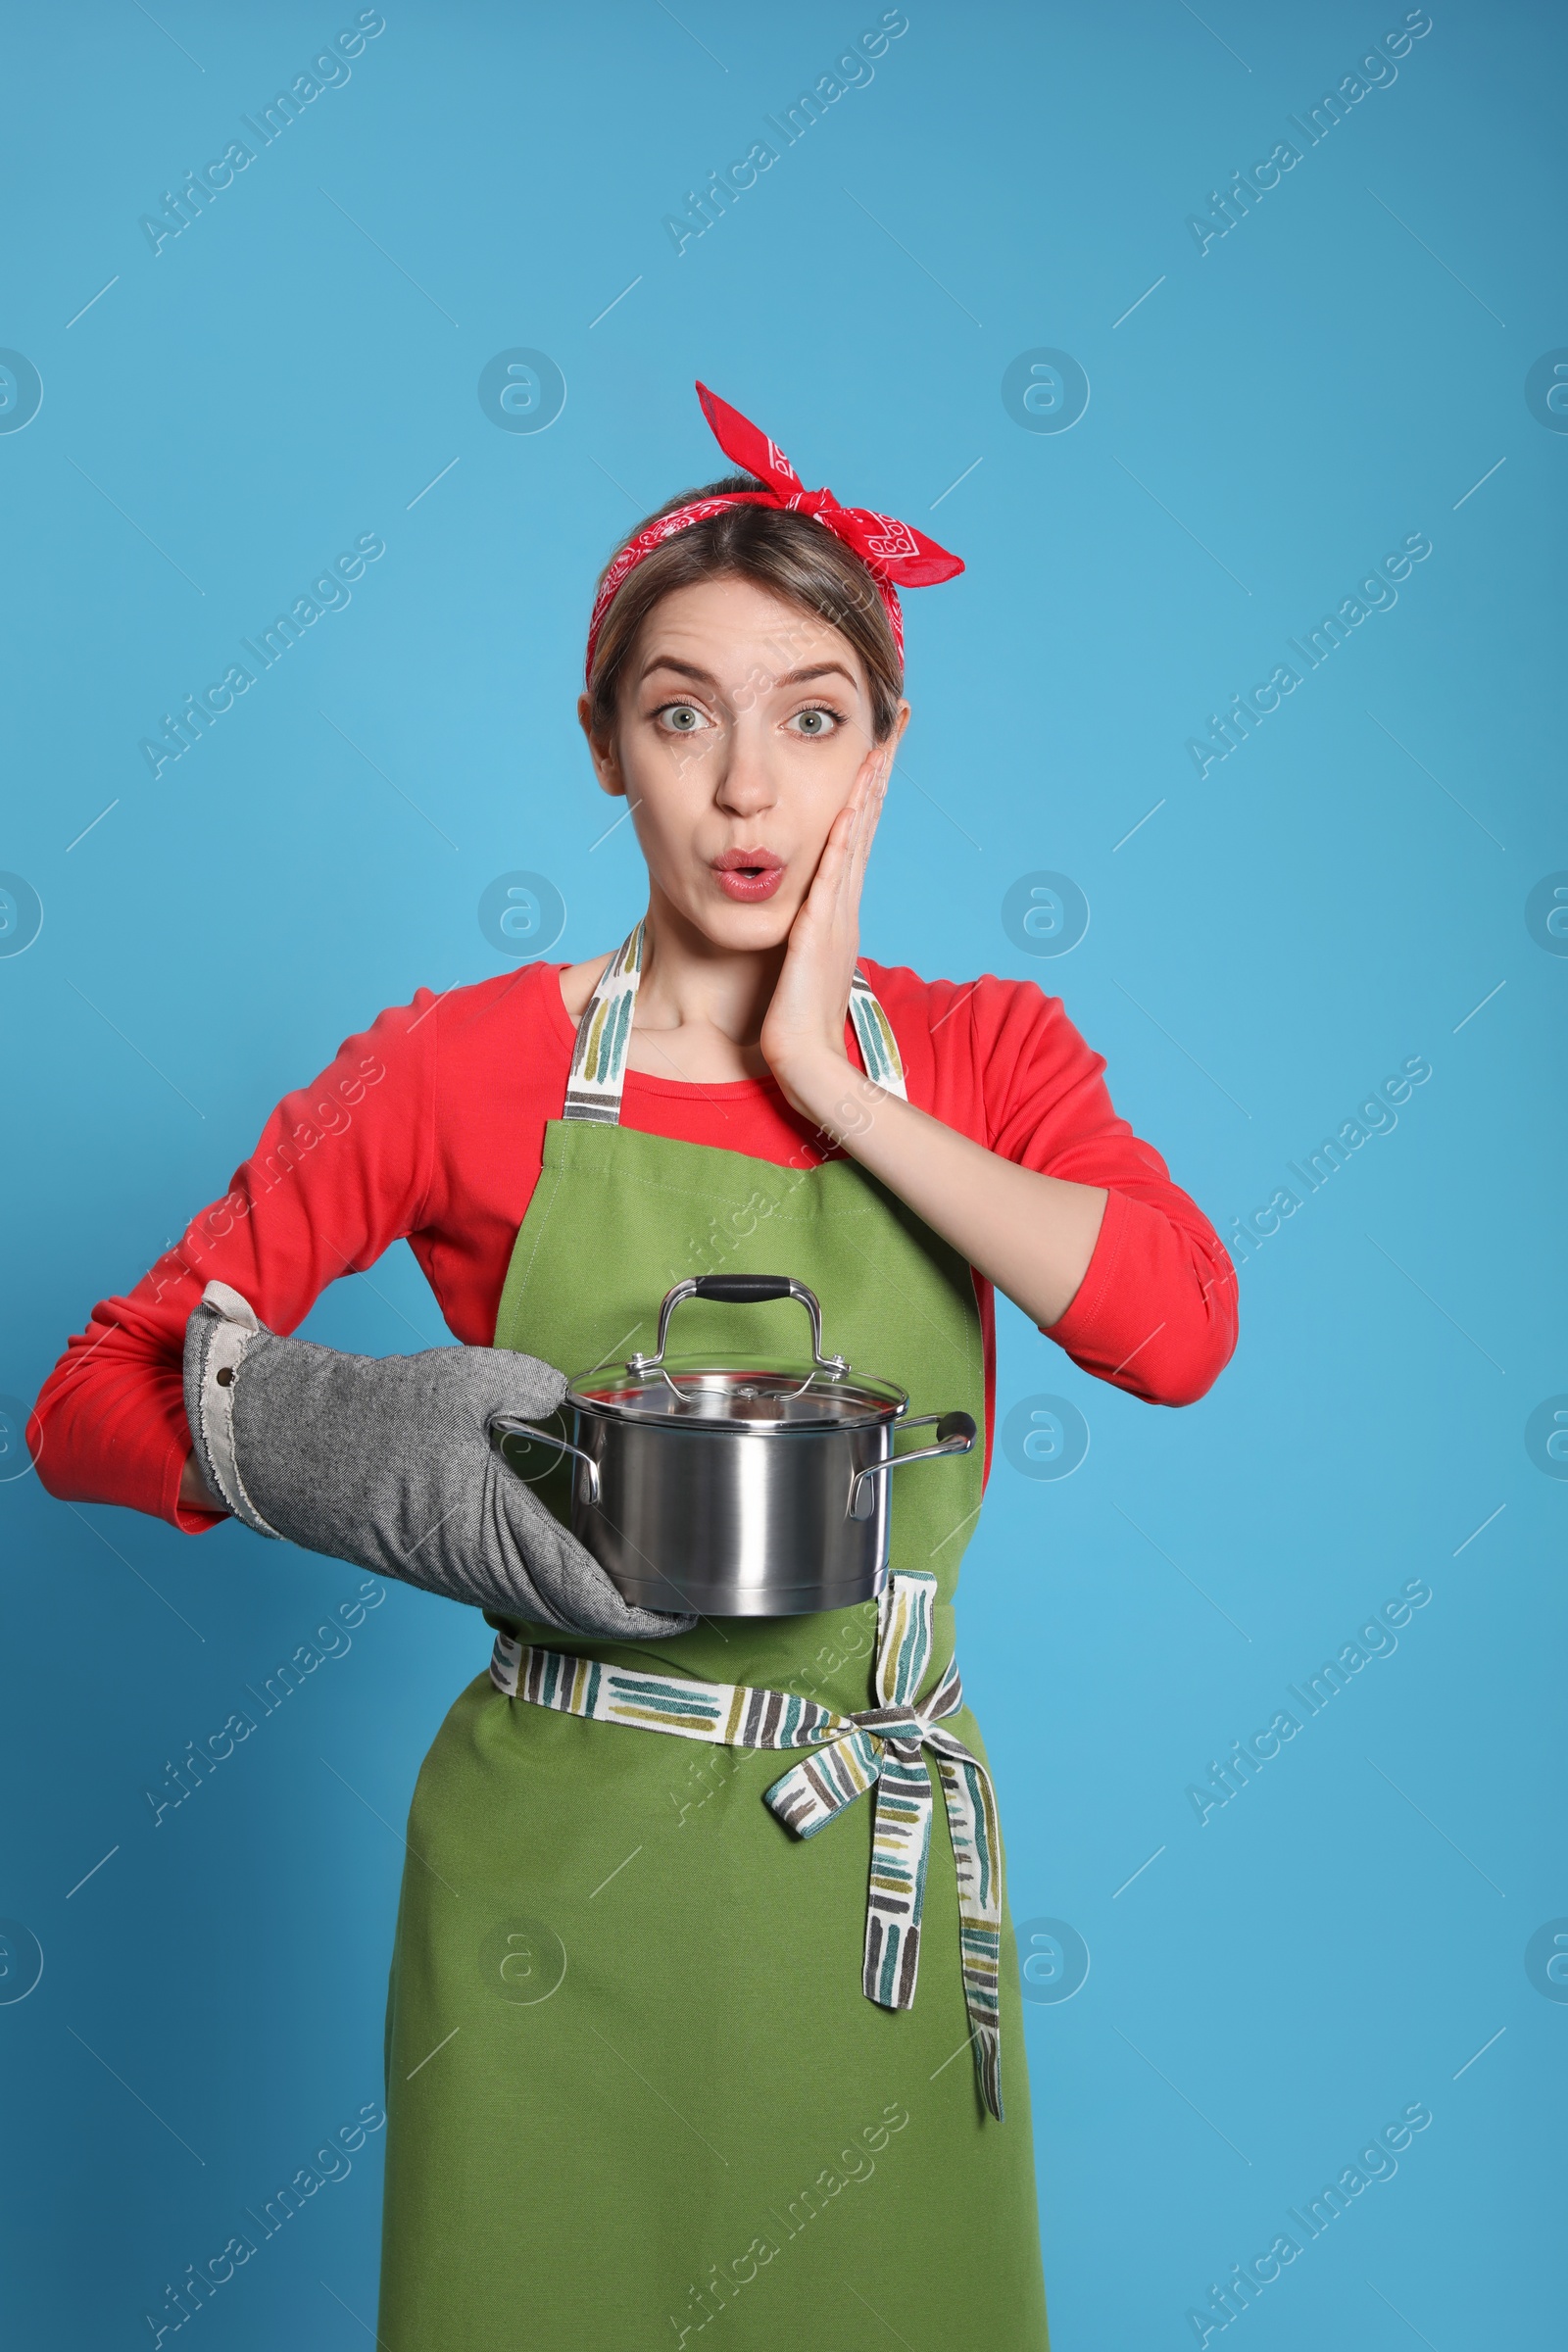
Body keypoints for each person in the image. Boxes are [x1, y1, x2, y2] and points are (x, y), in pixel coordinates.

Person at [34, 382, 1237, 2348]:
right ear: (602, 746)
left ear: (884, 755)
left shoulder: (984, 1059)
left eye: (814, 718)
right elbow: (94, 1395)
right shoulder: (458, 1066)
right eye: (683, 714)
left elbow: (1174, 1329)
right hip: (552, 1903)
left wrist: (828, 1086)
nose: (748, 791)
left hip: (863, 1891)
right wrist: (385, 1457)